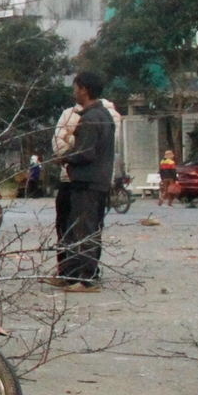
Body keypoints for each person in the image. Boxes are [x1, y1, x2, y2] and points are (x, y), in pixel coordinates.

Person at [50, 70, 115, 291]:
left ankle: (86, 279)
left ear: (84, 89)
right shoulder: (104, 115)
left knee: (83, 229)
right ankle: (77, 274)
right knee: (88, 228)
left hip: (86, 181)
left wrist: (64, 158)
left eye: (76, 87)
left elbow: (85, 153)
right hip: (98, 181)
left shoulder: (90, 118)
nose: (74, 92)